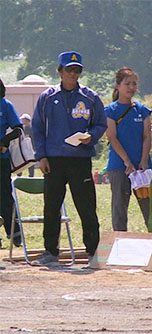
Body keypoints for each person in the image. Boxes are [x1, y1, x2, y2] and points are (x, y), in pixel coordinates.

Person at [31, 51, 107, 265]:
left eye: (77, 70)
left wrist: (91, 136)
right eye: (69, 70)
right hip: (53, 160)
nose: (73, 74)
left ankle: (93, 252)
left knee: (86, 206)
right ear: (59, 71)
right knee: (52, 206)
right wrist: (41, 156)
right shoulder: (47, 97)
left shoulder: (90, 97)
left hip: (80, 159)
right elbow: (37, 128)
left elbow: (101, 123)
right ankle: (50, 252)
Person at [104, 67, 152, 231]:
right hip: (119, 167)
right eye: (127, 83)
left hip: (142, 168)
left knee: (150, 208)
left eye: (134, 84)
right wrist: (127, 161)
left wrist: (142, 160)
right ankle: (119, 242)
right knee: (119, 208)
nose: (131, 87)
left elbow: (147, 136)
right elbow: (112, 137)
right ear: (118, 86)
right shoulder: (110, 110)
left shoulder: (142, 110)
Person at [0, 77, 24, 248]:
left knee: (5, 197)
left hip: (2, 159)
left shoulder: (5, 105)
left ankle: (14, 233)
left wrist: (3, 142)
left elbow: (18, 129)